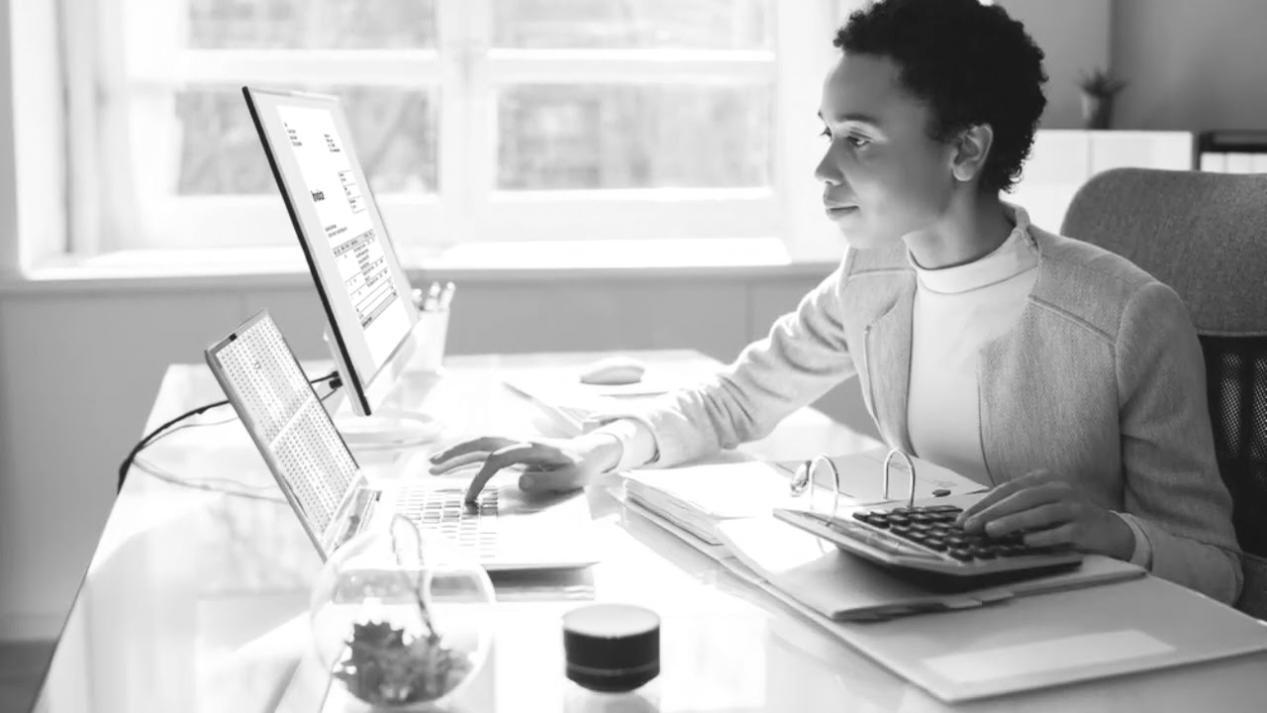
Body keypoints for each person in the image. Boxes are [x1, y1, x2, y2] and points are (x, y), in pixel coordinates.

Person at [430, 0, 1242, 604]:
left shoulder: (1128, 317)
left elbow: (1218, 563)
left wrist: (1115, 532)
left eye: (857, 139)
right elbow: (734, 400)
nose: (823, 170)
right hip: (931, 610)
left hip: (1083, 642)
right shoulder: (871, 277)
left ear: (965, 149)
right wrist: (594, 450)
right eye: (827, 134)